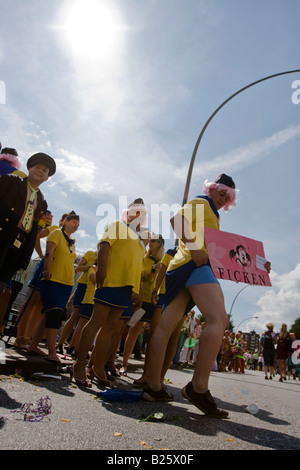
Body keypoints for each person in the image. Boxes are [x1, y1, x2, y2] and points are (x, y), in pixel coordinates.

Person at [142, 174, 242, 418]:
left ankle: (153, 387)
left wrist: (256, 268)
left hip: (182, 267)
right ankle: (198, 387)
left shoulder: (211, 214)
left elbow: (224, 254)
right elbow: (176, 219)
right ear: (212, 189)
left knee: (165, 326)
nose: (223, 198)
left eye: (227, 196)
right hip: (192, 264)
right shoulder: (202, 202)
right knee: (219, 320)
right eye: (221, 192)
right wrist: (196, 249)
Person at [72, 198, 147, 387]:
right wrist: (102, 270)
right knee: (96, 321)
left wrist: (138, 292)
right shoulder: (117, 225)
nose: (139, 215)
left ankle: (97, 368)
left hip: (127, 288)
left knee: (112, 328)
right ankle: (79, 365)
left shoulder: (140, 239)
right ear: (128, 213)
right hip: (111, 280)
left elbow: (138, 265)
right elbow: (104, 245)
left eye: (143, 213)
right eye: (135, 211)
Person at [0, 152, 55, 322]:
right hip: (2, 238)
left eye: (44, 170)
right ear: (29, 168)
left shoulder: (42, 201)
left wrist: (43, 225)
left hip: (19, 246)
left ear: (47, 178)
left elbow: (35, 231)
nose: (40, 171)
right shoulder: (10, 181)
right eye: (37, 167)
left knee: (1, 285)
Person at [27, 211, 80, 363]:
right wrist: (46, 270)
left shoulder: (72, 241)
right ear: (65, 222)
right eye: (73, 222)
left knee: (49, 313)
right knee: (54, 313)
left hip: (67, 282)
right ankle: (51, 351)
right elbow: (49, 252)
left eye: (78, 224)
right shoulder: (56, 233)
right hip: (53, 279)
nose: (76, 226)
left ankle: (33, 345)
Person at [119, 235, 165, 379]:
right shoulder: (144, 258)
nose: (149, 242)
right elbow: (138, 275)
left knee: (152, 335)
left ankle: (148, 371)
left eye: (153, 241)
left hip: (154, 302)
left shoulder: (163, 262)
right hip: (141, 300)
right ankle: (124, 363)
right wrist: (149, 273)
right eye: (149, 240)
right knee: (134, 329)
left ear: (160, 244)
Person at [56, 246, 98, 354]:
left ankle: (73, 345)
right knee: (75, 315)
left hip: (92, 290)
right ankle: (60, 343)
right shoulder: (90, 253)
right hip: (83, 286)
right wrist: (90, 266)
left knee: (84, 320)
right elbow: (78, 268)